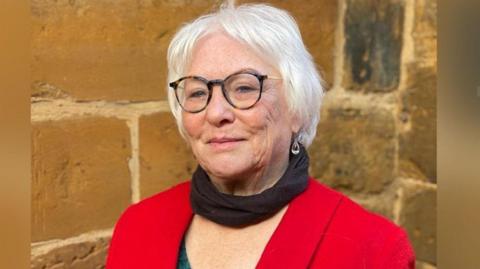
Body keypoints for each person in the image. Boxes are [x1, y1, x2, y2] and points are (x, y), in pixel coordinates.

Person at [106, 2, 415, 269]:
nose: (216, 113)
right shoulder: (138, 226)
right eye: (198, 92)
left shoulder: (374, 250)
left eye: (244, 87)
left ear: (297, 109)